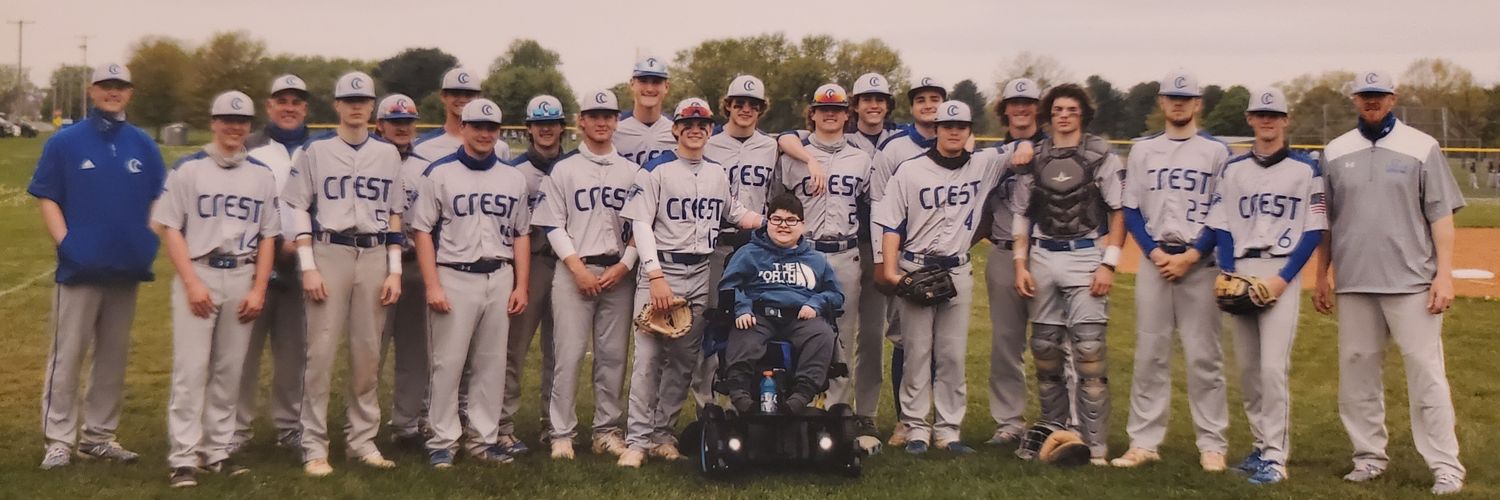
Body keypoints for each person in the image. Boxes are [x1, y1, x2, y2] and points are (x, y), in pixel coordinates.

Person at [1313, 71, 1467, 496]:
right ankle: (1367, 457)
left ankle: (1445, 465)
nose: (1372, 101)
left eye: (1379, 95)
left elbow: (1441, 216)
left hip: (1412, 282)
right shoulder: (1335, 150)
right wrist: (1322, 274)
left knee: (1427, 375)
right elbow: (1326, 222)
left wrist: (1444, 275)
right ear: (1354, 99)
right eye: (1365, 95)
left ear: (1393, 98)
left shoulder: (1421, 146)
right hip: (1355, 282)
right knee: (1357, 374)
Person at [31, 62, 166, 470]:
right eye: (106, 86)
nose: (113, 92)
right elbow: (48, 196)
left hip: (125, 268)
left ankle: (99, 436)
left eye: (120, 86)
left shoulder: (143, 144)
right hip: (80, 269)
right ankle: (58, 439)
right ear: (92, 91)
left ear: (129, 92)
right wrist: (67, 243)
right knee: (67, 354)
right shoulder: (65, 141)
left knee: (113, 356)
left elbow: (161, 197)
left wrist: (147, 239)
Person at [617, 98, 763, 468]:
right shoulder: (656, 170)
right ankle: (637, 440)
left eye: (702, 124)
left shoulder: (716, 172)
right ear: (676, 129)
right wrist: (655, 275)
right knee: (648, 360)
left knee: (684, 361)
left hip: (700, 272)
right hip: (662, 269)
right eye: (688, 124)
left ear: (710, 130)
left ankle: (662, 435)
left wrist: (773, 221)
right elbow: (640, 225)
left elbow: (734, 212)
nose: (695, 129)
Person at [281, 71, 404, 476]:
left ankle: (362, 440)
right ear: (336, 105)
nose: (356, 107)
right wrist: (307, 266)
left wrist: (394, 271)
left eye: (362, 100)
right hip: (329, 249)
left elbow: (395, 214)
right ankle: (313, 445)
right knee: (319, 354)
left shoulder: (387, 154)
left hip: (373, 253)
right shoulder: (316, 151)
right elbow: (298, 206)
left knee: (368, 353)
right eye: (349, 100)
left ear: (372, 107)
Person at [154, 91, 279, 487]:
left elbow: (269, 236)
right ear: (213, 123)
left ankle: (217, 450)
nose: (234, 127)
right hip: (200, 271)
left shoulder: (261, 174)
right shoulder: (188, 169)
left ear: (249, 126)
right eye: (227, 120)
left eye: (241, 121)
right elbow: (171, 228)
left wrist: (259, 288)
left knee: (230, 370)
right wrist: (191, 282)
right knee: (191, 370)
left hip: (242, 273)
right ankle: (184, 456)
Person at [873, 101, 1011, 455]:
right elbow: (890, 225)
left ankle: (948, 430)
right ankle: (916, 427)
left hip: (957, 269)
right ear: (936, 129)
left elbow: (1022, 148)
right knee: (917, 352)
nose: (953, 131)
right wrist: (891, 272)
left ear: (970, 131)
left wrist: (1023, 148)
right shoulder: (910, 170)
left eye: (960, 126)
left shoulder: (984, 163)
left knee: (952, 355)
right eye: (947, 125)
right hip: (916, 266)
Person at [1204, 87, 1325, 486]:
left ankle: (1276, 457)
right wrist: (1228, 271)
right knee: (1249, 370)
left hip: (1279, 269)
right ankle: (1260, 446)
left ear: (1286, 120)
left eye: (1274, 115)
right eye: (1260, 114)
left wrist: (1282, 280)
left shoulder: (1307, 169)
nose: (1267, 120)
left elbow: (1314, 229)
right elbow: (1221, 223)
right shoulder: (1233, 169)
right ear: (1250, 119)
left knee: (1273, 368)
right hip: (1242, 268)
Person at [1113, 70, 1231, 472]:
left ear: (1198, 103)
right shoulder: (1143, 150)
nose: (1179, 104)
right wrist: (1152, 252)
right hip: (1156, 263)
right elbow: (1130, 208)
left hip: (1200, 263)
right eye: (1172, 97)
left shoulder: (1215, 152)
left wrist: (1193, 255)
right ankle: (1144, 442)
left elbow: (1222, 210)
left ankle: (1212, 444)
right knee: (1150, 354)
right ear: (1162, 102)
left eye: (1186, 98)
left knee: (1205, 358)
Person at [409, 98, 532, 468]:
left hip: (500, 273)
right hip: (454, 274)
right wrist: (432, 285)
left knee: (491, 363)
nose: (484, 133)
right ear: (462, 127)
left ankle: (483, 439)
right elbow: (422, 230)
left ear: (499, 131)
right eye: (477, 126)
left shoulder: (513, 177)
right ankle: (442, 440)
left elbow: (521, 233)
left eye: (491, 128)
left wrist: (521, 285)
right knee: (447, 363)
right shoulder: (439, 173)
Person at [776, 73, 900, 438]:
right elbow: (777, 208)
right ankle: (795, 409)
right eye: (823, 109)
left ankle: (836, 413)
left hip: (846, 253)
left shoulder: (862, 159)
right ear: (812, 114)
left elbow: (876, 211)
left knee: (842, 337)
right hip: (802, 254)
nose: (830, 114)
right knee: (796, 331)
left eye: (836, 109)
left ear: (847, 114)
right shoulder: (792, 157)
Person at [1010, 83, 1126, 466]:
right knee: (1045, 350)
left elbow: (1118, 210)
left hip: (1085, 253)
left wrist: (1109, 262)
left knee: (1089, 352)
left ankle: (1094, 445)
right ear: (1049, 114)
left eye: (1071, 110)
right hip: (1043, 254)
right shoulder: (1035, 155)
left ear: (1083, 115)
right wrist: (1020, 264)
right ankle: (1056, 431)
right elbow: (1022, 214)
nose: (1063, 116)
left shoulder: (1100, 155)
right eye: (1057, 109)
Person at [534, 89, 639, 460]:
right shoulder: (564, 169)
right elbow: (553, 225)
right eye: (594, 115)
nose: (601, 122)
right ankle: (561, 432)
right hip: (573, 270)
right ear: (581, 121)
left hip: (618, 272)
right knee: (569, 354)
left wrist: (625, 265)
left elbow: (641, 226)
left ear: (617, 121)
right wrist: (577, 269)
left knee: (613, 356)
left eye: (608, 115)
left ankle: (606, 430)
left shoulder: (632, 172)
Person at [869, 76, 949, 447]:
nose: (929, 105)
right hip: (904, 256)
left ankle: (942, 422)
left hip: (947, 258)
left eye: (935, 98)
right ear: (912, 106)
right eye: (921, 99)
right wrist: (882, 262)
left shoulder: (959, 142)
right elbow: (880, 207)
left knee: (943, 345)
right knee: (906, 340)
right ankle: (907, 421)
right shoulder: (894, 148)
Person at [237, 73, 312, 454]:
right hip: (254, 265)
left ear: (305, 108)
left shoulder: (319, 149)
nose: (289, 108)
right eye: (282, 101)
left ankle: (290, 425)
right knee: (241, 352)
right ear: (269, 106)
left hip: (302, 265)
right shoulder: (247, 146)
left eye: (296, 102)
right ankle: (235, 428)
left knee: (294, 353)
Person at [694, 74, 779, 409]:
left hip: (755, 247)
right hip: (714, 244)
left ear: (762, 109)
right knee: (710, 321)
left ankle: (742, 402)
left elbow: (776, 195)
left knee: (749, 322)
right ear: (727, 105)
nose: (746, 109)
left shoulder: (771, 147)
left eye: (753, 105)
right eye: (739, 103)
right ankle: (706, 405)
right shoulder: (709, 143)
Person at [718, 194, 843, 414]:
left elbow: (835, 294)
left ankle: (798, 399)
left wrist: (816, 304)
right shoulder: (748, 254)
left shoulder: (816, 259)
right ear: (767, 222)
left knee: (822, 334)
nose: (783, 225)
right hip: (759, 314)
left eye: (791, 220)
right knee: (743, 332)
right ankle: (742, 399)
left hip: (800, 315)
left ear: (802, 225)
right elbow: (729, 286)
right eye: (776, 219)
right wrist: (742, 308)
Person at [496, 95, 569, 455]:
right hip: (532, 263)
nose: (546, 129)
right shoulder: (514, 171)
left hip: (567, 263)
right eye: (539, 123)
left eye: (552, 123)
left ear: (562, 127)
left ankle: (552, 424)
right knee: (514, 347)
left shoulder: (574, 166)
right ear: (528, 128)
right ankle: (501, 424)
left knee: (560, 350)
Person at [978, 77, 1047, 447]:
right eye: (1014, 102)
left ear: (1038, 107)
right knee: (1006, 343)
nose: (1021, 108)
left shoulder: (1054, 150)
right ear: (1003, 108)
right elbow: (979, 211)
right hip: (1004, 252)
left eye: (1028, 102)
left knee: (1054, 341)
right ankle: (1009, 421)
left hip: (1048, 252)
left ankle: (1059, 419)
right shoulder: (993, 157)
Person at [373, 93, 431, 449]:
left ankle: (406, 425)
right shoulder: (367, 161)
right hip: (375, 262)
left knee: (415, 351)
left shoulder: (426, 167)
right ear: (380, 125)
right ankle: (362, 426)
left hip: (414, 265)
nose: (402, 128)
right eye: (395, 122)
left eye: (408, 121)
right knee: (371, 351)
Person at [414, 67, 510, 162]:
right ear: (443, 96)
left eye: (469, 94)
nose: (463, 99)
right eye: (456, 93)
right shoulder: (422, 147)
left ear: (478, 97)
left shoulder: (499, 148)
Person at [614, 56, 676, 166]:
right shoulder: (614, 130)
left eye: (656, 82)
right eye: (643, 81)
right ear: (632, 84)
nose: (649, 89)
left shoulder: (677, 130)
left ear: (666, 87)